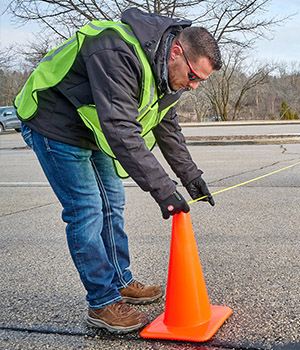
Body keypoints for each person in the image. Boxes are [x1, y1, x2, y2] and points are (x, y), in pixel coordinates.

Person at [14, 8, 222, 334]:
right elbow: (122, 129)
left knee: (113, 202)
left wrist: (190, 176)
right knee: (86, 210)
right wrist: (164, 191)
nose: (194, 87)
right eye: (194, 77)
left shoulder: (168, 73)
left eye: (202, 82)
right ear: (177, 52)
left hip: (91, 127)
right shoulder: (116, 48)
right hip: (54, 120)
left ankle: (121, 281)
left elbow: (166, 126)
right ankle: (101, 302)